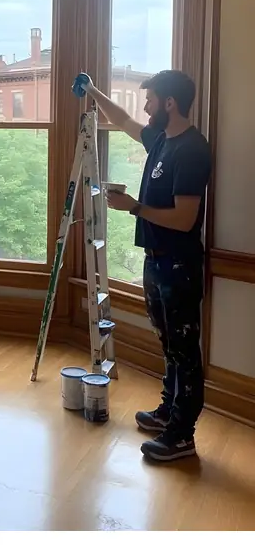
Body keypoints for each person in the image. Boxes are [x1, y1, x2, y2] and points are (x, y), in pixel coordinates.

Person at [77, 70, 211, 462]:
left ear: (170, 103)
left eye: (150, 99)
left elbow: (185, 218)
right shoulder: (161, 141)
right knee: (170, 347)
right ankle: (168, 412)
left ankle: (182, 436)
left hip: (179, 267)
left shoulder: (191, 149)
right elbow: (122, 121)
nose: (146, 106)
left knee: (184, 352)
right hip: (155, 262)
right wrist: (93, 91)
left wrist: (135, 207)